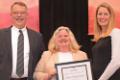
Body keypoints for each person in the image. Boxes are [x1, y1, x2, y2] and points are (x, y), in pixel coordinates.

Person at [0, 1, 45, 80]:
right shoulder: (1, 35)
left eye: (22, 12)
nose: (19, 15)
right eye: (15, 12)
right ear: (11, 14)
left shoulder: (37, 37)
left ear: (27, 15)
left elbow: (41, 61)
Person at [92, 2, 120, 80]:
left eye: (105, 14)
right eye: (100, 14)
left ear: (111, 16)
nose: (102, 17)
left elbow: (117, 62)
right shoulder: (99, 37)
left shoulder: (115, 32)